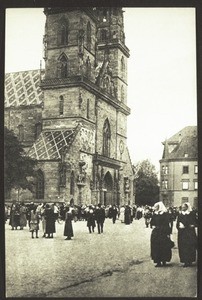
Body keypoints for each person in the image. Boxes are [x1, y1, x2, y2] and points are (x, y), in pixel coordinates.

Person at [150, 201, 172, 267]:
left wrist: (168, 233)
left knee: (163, 246)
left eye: (156, 207)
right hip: (156, 232)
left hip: (163, 232)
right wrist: (152, 225)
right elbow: (152, 222)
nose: (155, 208)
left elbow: (167, 224)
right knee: (156, 246)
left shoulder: (164, 214)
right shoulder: (155, 214)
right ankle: (158, 261)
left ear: (159, 207)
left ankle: (164, 260)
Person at [176, 202, 197, 267]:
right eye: (182, 207)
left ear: (187, 207)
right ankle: (185, 261)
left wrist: (193, 225)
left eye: (184, 207)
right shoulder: (180, 215)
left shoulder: (191, 214)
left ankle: (190, 261)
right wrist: (179, 226)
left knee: (190, 246)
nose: (182, 208)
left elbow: (196, 222)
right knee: (183, 247)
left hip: (190, 233)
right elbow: (177, 223)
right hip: (182, 233)